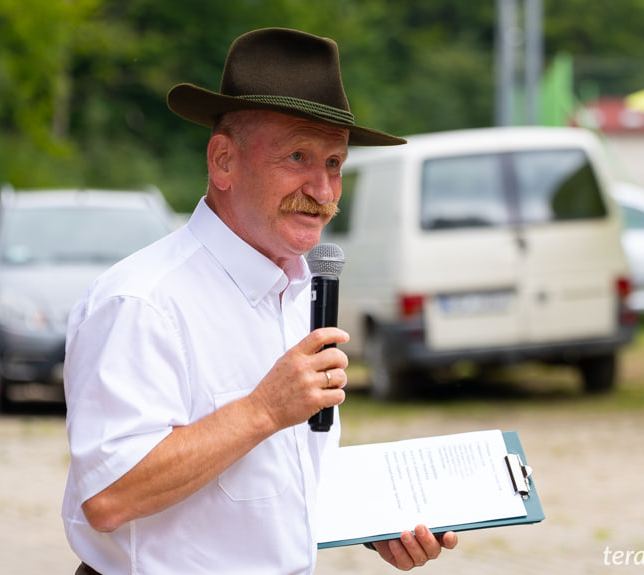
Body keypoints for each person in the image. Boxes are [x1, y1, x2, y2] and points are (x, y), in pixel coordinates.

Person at [62, 27, 457, 574]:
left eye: (335, 164)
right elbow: (108, 497)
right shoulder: (141, 301)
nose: (322, 190)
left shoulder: (300, 296)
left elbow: (276, 481)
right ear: (223, 161)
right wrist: (263, 410)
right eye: (298, 156)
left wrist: (377, 523)